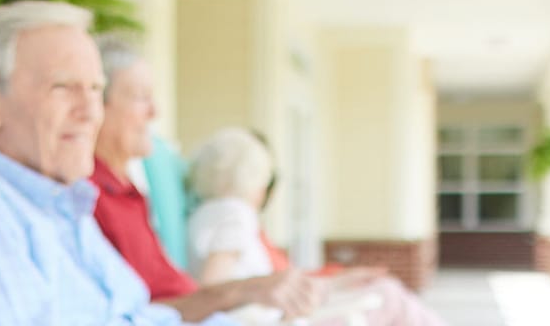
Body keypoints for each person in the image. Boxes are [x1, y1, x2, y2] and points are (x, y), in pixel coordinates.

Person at [0, 1, 312, 325]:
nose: (91, 111)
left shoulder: (61, 208)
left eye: (95, 89)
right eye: (65, 87)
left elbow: (138, 316)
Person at [85, 38, 323, 319]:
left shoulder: (129, 193)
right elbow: (136, 313)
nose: (154, 112)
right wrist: (248, 290)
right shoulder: (89, 197)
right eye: (140, 97)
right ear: (97, 105)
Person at [187, 129, 446, 326]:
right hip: (277, 318)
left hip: (280, 312)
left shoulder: (208, 213)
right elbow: (213, 287)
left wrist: (335, 282)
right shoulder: (234, 215)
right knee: (389, 297)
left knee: (386, 293)